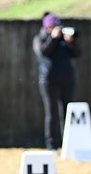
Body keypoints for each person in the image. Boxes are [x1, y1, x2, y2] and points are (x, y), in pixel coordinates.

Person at [33, 13, 81, 150]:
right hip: (49, 80)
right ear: (48, 27)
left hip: (67, 78)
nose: (58, 28)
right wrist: (53, 39)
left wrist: (71, 42)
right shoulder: (40, 38)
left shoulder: (63, 40)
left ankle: (69, 144)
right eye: (54, 26)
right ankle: (52, 145)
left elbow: (77, 54)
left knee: (68, 112)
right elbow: (43, 52)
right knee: (51, 113)